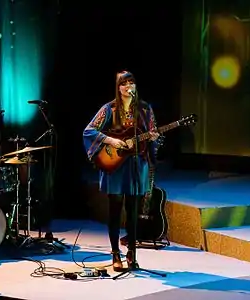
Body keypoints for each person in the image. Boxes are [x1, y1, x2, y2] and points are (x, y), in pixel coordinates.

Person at [83, 71, 160, 272]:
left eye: (131, 83)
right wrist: (111, 140)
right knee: (115, 210)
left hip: (136, 164)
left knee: (133, 211)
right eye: (124, 83)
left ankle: (132, 253)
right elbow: (89, 130)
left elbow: (153, 132)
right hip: (115, 166)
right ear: (118, 88)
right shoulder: (109, 109)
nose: (128, 87)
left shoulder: (144, 109)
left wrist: (153, 139)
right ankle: (115, 252)